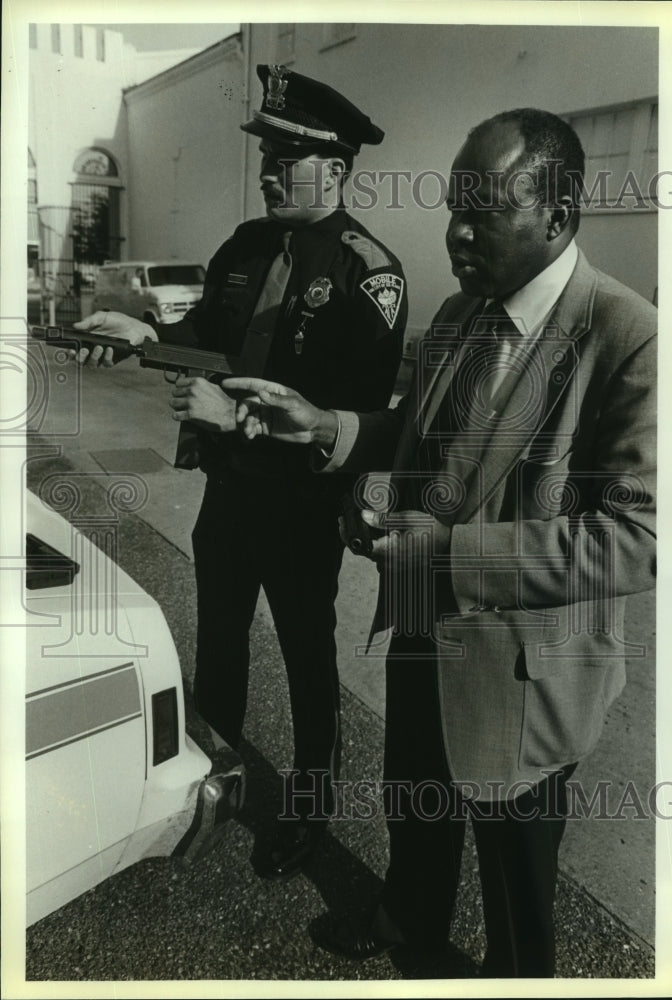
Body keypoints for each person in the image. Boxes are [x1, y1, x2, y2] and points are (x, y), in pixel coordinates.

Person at [221, 108, 657, 976]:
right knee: (412, 797)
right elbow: (410, 437)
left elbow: (635, 538)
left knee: (513, 865)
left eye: (483, 211)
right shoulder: (461, 311)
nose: (456, 231)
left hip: (522, 669)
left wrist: (447, 556)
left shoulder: (630, 335)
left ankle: (514, 976)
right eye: (453, 206)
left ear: (558, 218)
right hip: (421, 617)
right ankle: (408, 914)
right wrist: (324, 430)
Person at [72, 65, 407, 880]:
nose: (265, 170)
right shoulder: (247, 244)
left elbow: (350, 424)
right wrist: (138, 332)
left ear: (334, 168)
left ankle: (308, 804)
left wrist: (242, 419)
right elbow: (216, 340)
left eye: (285, 156)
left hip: (298, 508)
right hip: (229, 495)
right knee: (218, 642)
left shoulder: (371, 274)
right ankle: (210, 777)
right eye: (265, 153)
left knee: (305, 658)